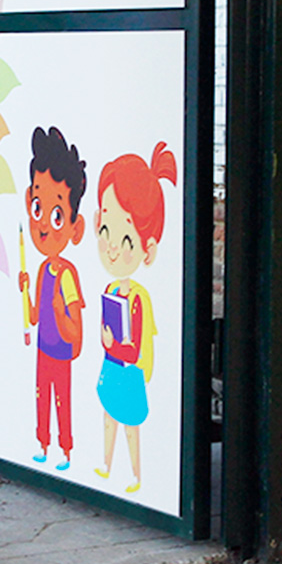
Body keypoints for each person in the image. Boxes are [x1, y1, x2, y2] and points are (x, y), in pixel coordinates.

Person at [91, 143, 177, 494]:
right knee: (109, 417)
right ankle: (106, 465)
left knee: (130, 424)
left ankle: (139, 475)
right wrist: (104, 340)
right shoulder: (111, 288)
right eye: (106, 232)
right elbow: (106, 333)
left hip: (129, 370)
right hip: (111, 365)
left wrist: (115, 346)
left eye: (126, 238)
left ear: (148, 249)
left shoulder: (139, 299)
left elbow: (137, 345)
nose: (112, 247)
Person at [19, 126, 87, 471]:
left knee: (63, 399)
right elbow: (33, 316)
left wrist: (60, 313)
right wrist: (27, 290)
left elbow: (77, 328)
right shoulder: (44, 270)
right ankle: (42, 443)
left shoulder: (67, 275)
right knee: (41, 396)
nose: (44, 224)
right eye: (37, 206)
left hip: (60, 351)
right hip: (43, 349)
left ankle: (66, 449)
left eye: (57, 214)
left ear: (75, 227)